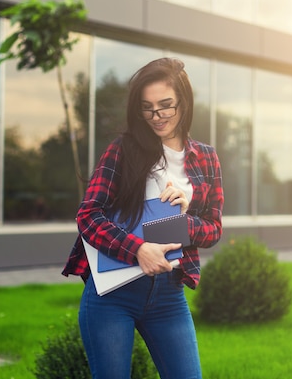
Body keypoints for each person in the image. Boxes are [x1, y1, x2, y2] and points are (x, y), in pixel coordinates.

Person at [62, 57, 224, 379]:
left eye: (166, 106)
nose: (157, 116)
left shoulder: (205, 158)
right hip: (112, 295)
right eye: (147, 108)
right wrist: (138, 248)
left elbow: (214, 229)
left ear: (184, 102)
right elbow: (88, 216)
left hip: (168, 295)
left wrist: (185, 216)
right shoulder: (122, 150)